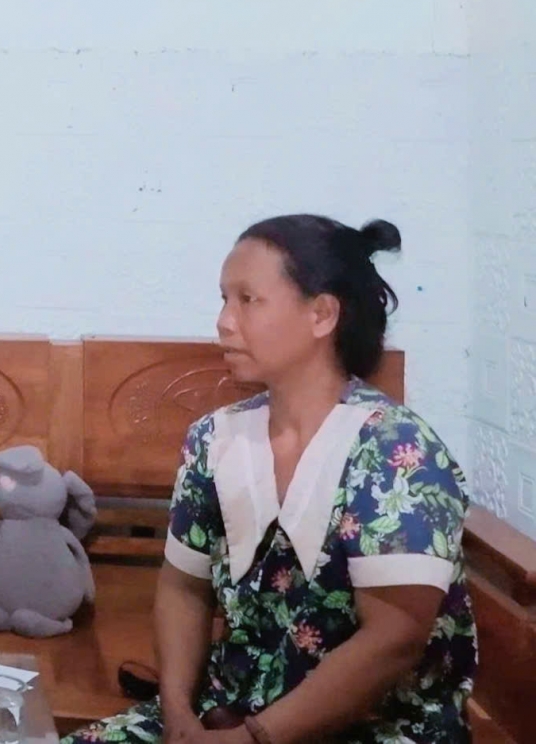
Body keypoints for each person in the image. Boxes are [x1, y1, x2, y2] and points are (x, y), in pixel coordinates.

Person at [62, 215, 477, 744]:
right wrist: (178, 715)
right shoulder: (213, 438)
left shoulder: (397, 452)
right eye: (223, 299)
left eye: (247, 300)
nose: (223, 322)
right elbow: (183, 589)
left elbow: (393, 641)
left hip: (375, 730)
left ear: (322, 314)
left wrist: (253, 738)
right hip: (226, 716)